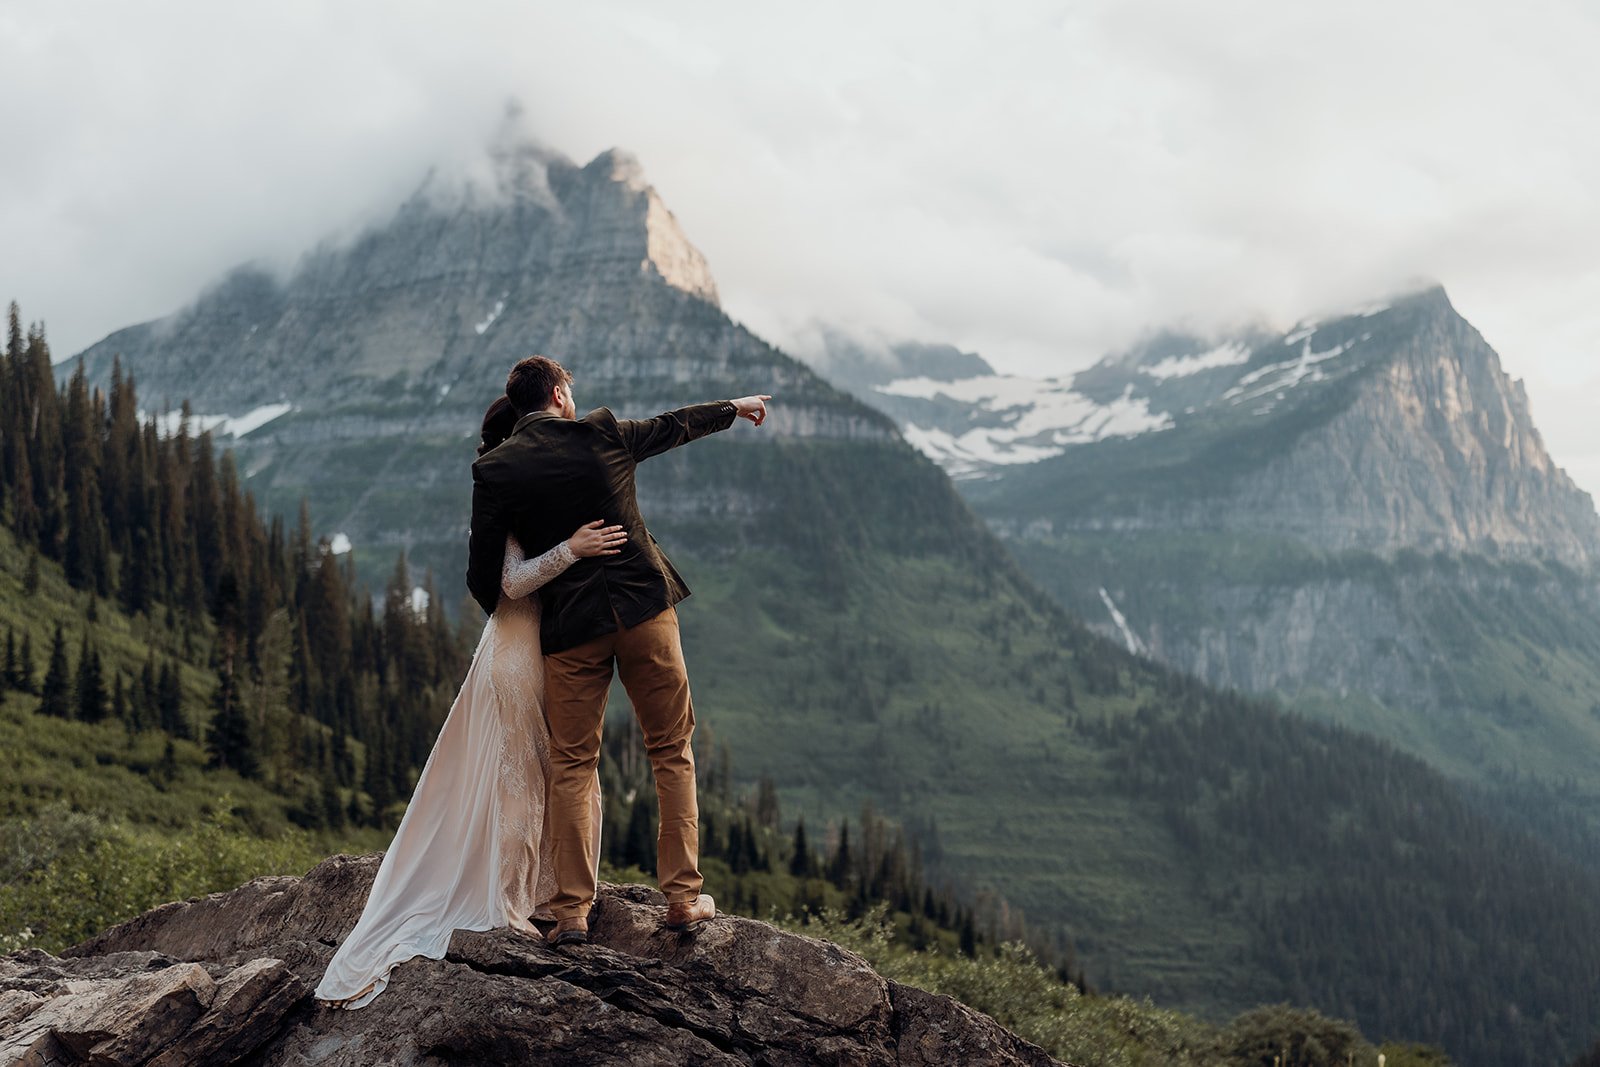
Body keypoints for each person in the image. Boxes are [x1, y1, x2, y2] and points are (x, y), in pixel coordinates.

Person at [313, 397, 624, 1009]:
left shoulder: (524, 486)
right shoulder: (508, 494)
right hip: (517, 649)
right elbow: (511, 581)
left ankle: (550, 895)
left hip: (535, 647)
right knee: (523, 776)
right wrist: (573, 550)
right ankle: (509, 904)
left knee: (552, 771)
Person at [466, 354, 770, 946]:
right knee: (671, 750)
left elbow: (487, 577)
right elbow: (671, 426)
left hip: (570, 629)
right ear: (557, 394)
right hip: (643, 611)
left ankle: (573, 912)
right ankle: (683, 898)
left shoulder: (496, 469)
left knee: (573, 763)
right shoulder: (601, 431)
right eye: (568, 390)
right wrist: (734, 407)